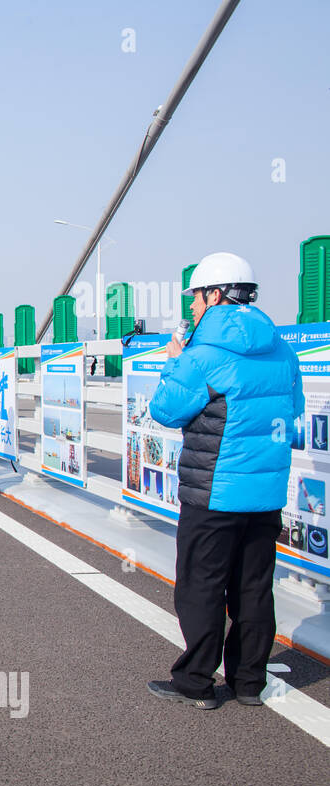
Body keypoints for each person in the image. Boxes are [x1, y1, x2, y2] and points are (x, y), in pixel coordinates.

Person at [146, 253, 301, 710]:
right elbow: (289, 412)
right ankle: (249, 683)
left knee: (201, 586)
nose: (192, 306)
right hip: (266, 495)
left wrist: (176, 362)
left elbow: (165, 410)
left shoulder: (202, 356)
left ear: (215, 295)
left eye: (195, 296)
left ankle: (196, 683)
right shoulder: (282, 351)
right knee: (254, 587)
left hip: (213, 495)